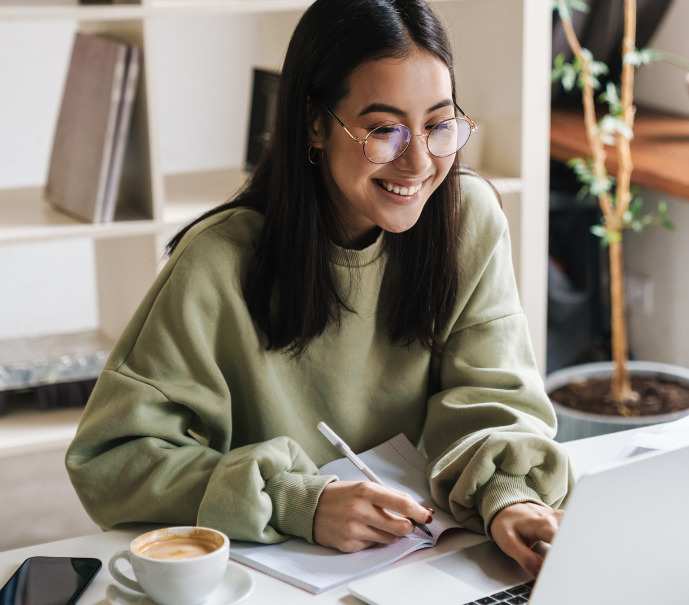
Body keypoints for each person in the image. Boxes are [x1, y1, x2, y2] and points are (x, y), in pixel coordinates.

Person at [65, 0, 568, 574]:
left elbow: (495, 397)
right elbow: (112, 461)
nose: (419, 163)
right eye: (384, 131)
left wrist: (509, 497)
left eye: (438, 125)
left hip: (429, 560)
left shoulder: (467, 219)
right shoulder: (218, 262)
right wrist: (299, 500)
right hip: (273, 581)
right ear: (313, 123)